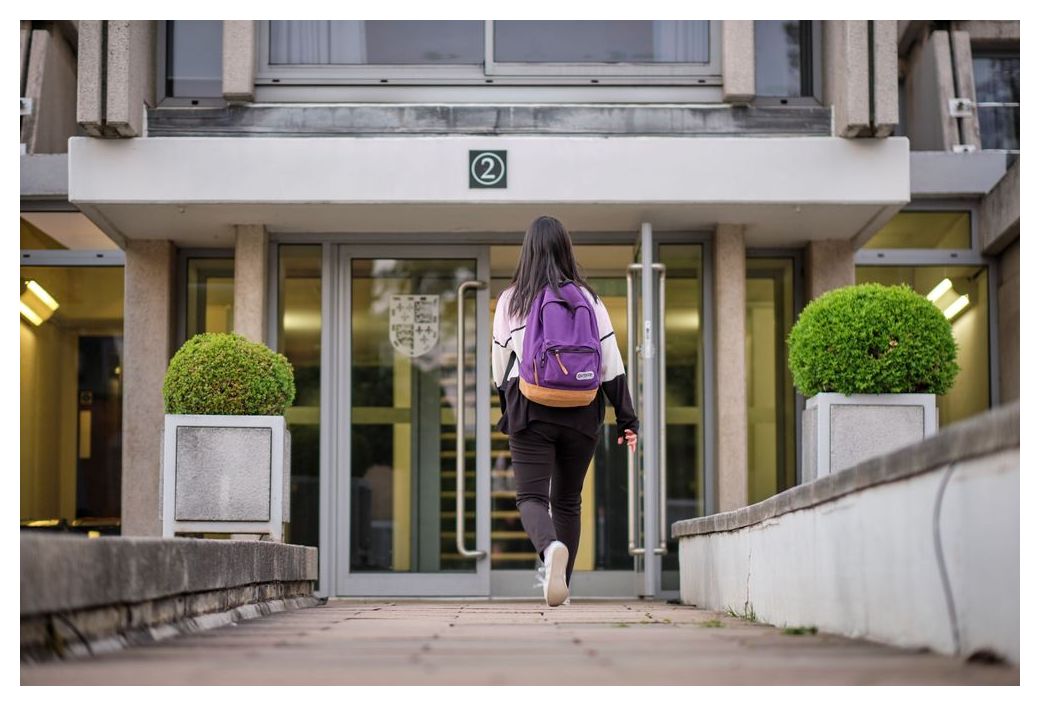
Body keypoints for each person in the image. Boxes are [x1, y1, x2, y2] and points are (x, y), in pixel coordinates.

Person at [492, 215, 639, 607]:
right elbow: (611, 362)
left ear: (528, 252)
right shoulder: (589, 299)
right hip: (582, 409)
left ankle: (550, 547)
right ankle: (563, 585)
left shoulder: (512, 299)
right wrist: (627, 419)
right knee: (569, 501)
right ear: (565, 250)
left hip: (532, 408)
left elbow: (499, 363)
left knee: (531, 498)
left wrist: (507, 407)